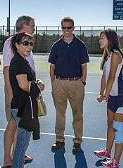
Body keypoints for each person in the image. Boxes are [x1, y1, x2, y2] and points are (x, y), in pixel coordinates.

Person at [49, 17, 89, 153]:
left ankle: (77, 142)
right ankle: (59, 140)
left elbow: (84, 66)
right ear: (61, 28)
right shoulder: (56, 45)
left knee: (77, 114)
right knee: (60, 114)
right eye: (64, 28)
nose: (66, 30)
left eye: (69, 27)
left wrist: (82, 82)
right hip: (59, 84)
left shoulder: (80, 45)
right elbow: (52, 67)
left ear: (73, 27)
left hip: (76, 83)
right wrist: (53, 83)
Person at [93, 29, 123, 168]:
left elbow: (112, 77)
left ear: (109, 39)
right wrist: (101, 93)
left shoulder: (116, 55)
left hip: (121, 97)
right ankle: (107, 152)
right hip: (111, 97)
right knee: (110, 124)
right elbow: (104, 76)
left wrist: (105, 94)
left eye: (102, 38)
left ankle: (115, 162)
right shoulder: (108, 56)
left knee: (118, 129)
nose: (100, 40)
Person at [2, 16, 35, 167]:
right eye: (32, 26)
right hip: (17, 93)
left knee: (20, 127)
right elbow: (7, 70)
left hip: (25, 94)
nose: (34, 28)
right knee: (13, 124)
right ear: (24, 26)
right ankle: (8, 160)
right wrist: (10, 95)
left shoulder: (26, 41)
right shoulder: (11, 42)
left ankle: (18, 154)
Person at [9, 32, 44, 168]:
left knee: (23, 145)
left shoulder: (23, 60)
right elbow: (24, 85)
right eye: (25, 43)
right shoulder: (18, 61)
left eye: (31, 43)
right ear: (17, 45)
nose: (29, 46)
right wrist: (39, 86)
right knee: (21, 146)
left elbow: (28, 81)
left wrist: (36, 82)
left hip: (24, 106)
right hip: (22, 108)